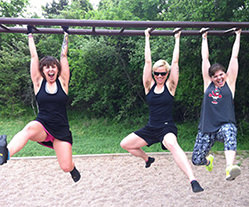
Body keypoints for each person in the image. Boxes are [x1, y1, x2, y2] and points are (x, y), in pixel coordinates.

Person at [120, 28, 204, 193]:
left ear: (167, 74)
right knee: (126, 144)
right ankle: (147, 158)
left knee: (172, 144)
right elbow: (147, 63)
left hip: (166, 127)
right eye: (157, 73)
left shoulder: (170, 86)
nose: (159, 76)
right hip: (151, 127)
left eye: (163, 73)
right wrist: (146, 37)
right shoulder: (149, 86)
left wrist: (177, 39)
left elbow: (175, 63)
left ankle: (193, 180)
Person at [0, 26, 81, 182]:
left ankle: (72, 168)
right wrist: (30, 34)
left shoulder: (63, 82)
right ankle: (4, 153)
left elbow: (63, 55)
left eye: (53, 67)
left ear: (57, 70)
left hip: (61, 129)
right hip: (42, 125)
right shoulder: (38, 83)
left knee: (66, 166)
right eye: (47, 67)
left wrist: (66, 34)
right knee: (29, 128)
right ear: (43, 71)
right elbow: (33, 57)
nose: (50, 69)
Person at [192, 28, 242, 181]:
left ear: (225, 74)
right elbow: (204, 60)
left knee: (230, 131)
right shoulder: (208, 85)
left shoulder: (229, 84)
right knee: (196, 159)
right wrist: (204, 37)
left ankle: (229, 168)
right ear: (211, 78)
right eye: (215, 76)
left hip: (222, 128)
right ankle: (209, 160)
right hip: (206, 129)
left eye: (221, 74)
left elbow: (234, 57)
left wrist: (238, 35)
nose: (219, 77)